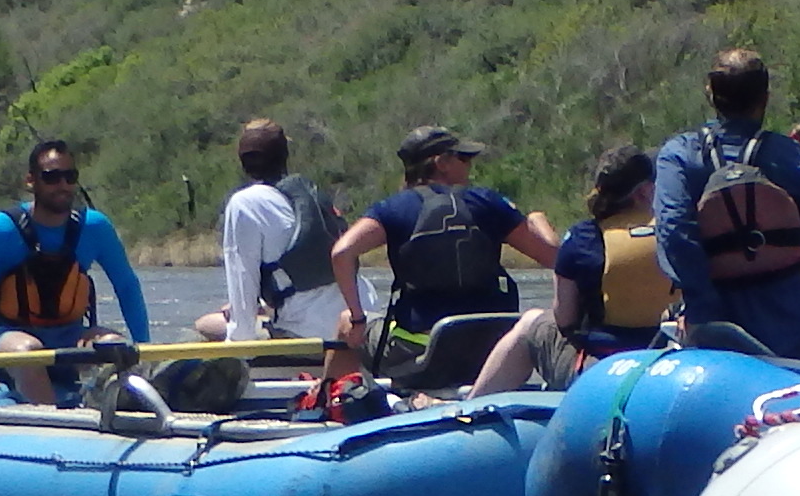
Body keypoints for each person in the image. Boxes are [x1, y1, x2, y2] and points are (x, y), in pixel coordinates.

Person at [652, 50, 800, 364]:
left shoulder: (679, 155)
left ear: (711, 95)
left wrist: (702, 308)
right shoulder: (790, 155)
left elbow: (674, 233)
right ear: (764, 98)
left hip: (716, 325)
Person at [328, 128, 564, 392]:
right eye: (463, 158)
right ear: (441, 163)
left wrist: (358, 319)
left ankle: (334, 402)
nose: (469, 165)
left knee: (346, 321)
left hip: (421, 354)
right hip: (492, 350)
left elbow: (341, 253)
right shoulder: (488, 202)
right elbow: (555, 257)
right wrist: (539, 220)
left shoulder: (393, 208)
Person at [0, 140, 151, 404]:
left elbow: (127, 287)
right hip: (13, 338)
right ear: (31, 180)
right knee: (29, 350)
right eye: (52, 177)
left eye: (70, 177)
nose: (62, 185)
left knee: (114, 344)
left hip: (71, 336)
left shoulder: (95, 227)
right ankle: (51, 416)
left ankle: (108, 406)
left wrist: (143, 347)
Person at [472, 146, 673, 393]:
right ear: (645, 191)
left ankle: (472, 405)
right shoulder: (678, 234)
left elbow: (564, 318)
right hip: (668, 363)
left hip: (600, 369)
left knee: (531, 322)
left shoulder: (583, 237)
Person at [198, 118, 350, 347]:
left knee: (205, 325)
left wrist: (238, 347)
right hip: (350, 325)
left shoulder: (244, 204)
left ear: (243, 161)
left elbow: (243, 290)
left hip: (309, 336)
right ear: (284, 156)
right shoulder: (311, 196)